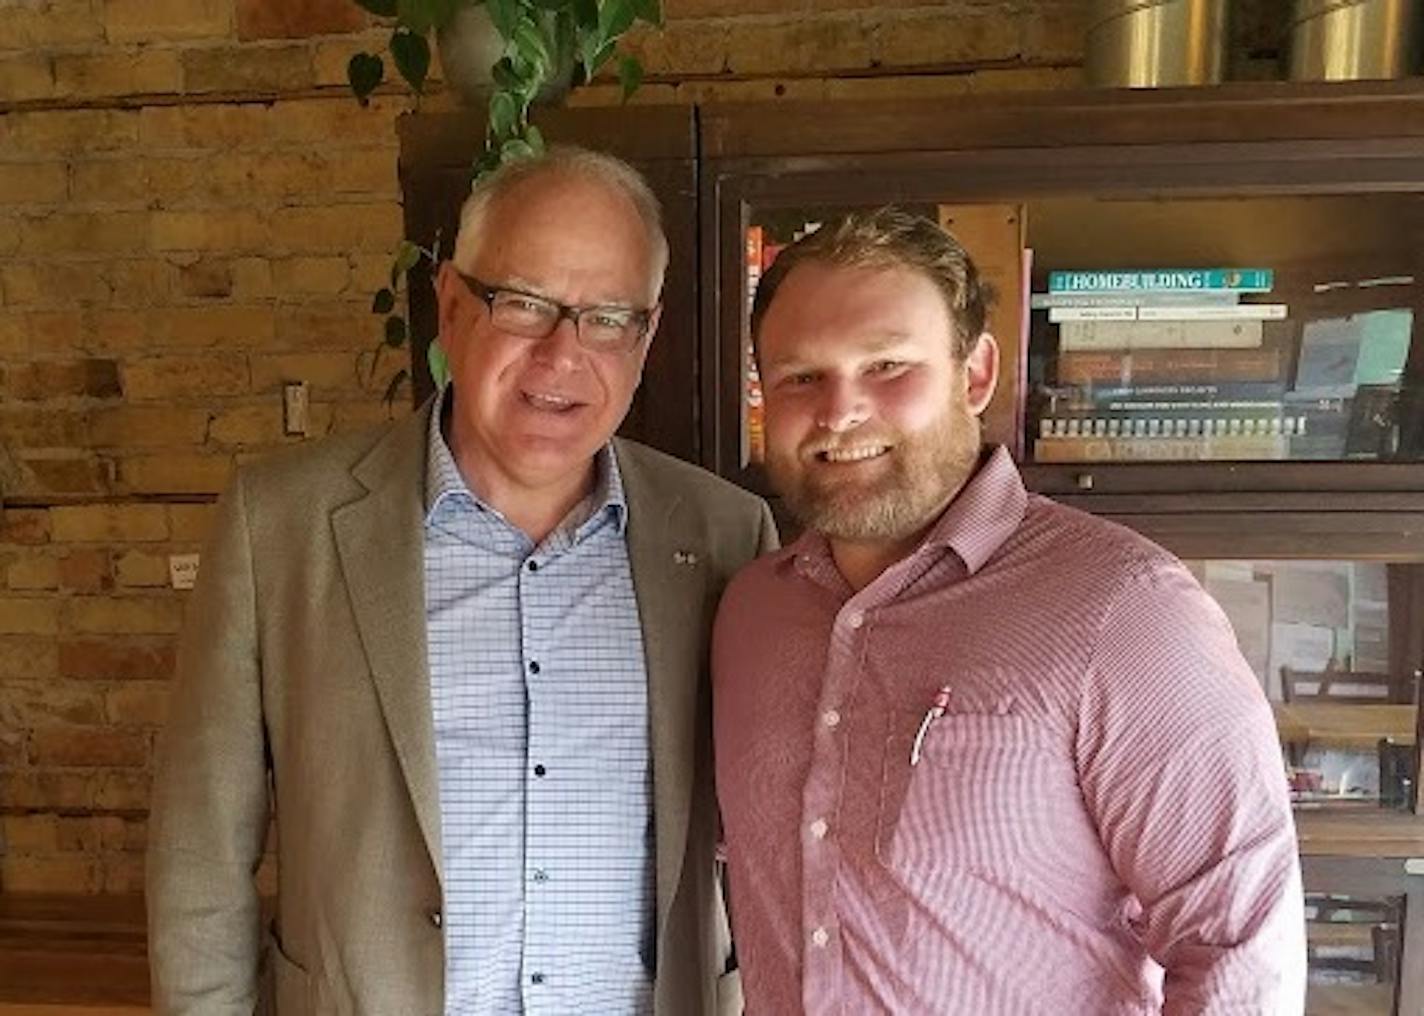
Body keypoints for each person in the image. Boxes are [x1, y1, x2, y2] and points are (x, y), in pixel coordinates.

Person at [147, 146, 776, 1016]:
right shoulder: (281, 525)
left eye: (605, 318)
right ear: (450, 306)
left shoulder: (724, 537)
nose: (563, 355)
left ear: (646, 339)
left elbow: (769, 844)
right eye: (524, 304)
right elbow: (201, 848)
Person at [712, 207, 1305, 1013]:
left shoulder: (1126, 611)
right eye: (800, 376)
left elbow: (1241, 958)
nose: (840, 411)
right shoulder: (750, 614)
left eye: (887, 365)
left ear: (976, 374)